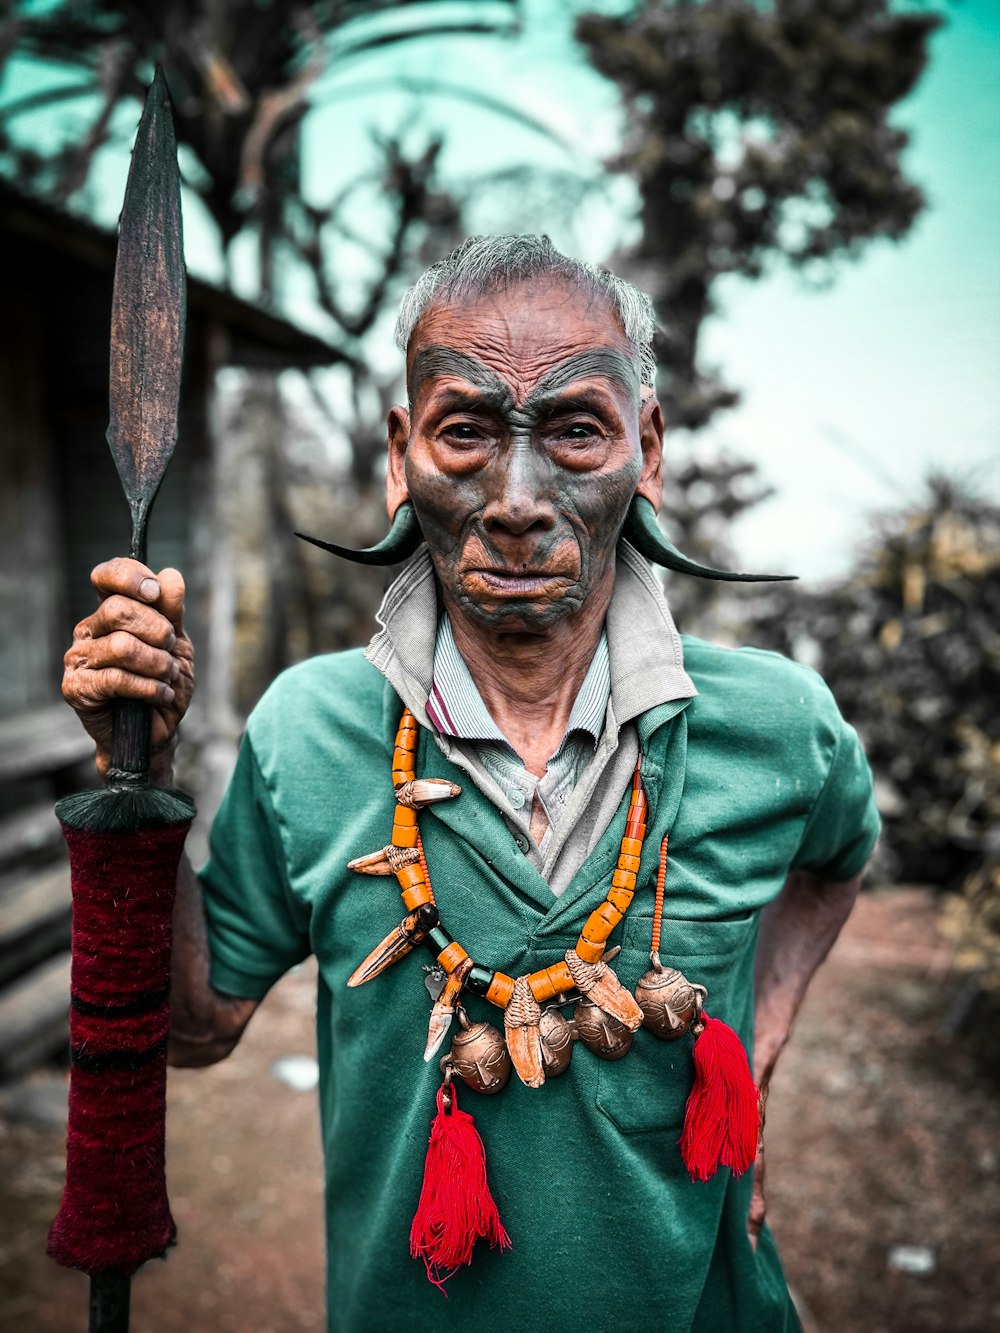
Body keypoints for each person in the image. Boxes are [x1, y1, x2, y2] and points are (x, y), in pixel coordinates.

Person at [62, 235, 880, 1332]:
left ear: (647, 447)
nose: (518, 499)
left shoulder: (778, 727)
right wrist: (142, 776)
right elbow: (200, 1028)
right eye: (467, 431)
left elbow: (837, 863)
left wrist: (759, 1046)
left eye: (577, 431)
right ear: (401, 456)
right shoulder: (310, 731)